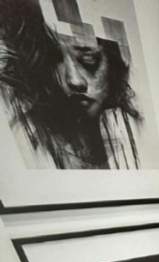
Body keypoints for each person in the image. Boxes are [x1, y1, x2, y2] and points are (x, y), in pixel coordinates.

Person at [0, 0, 142, 169]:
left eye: (89, 59)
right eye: (55, 59)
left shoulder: (132, 131)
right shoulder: (28, 137)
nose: (74, 80)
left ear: (114, 65)